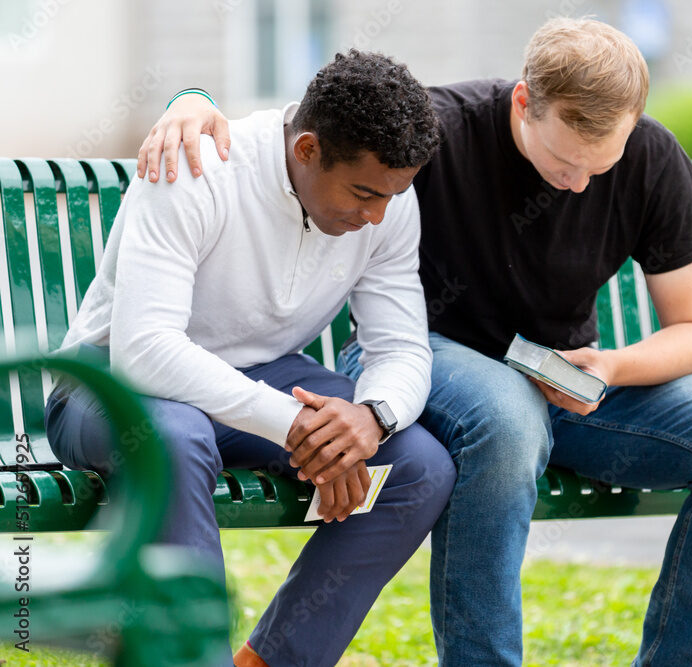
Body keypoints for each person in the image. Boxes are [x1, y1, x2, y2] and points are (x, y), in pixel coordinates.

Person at [137, 17, 692, 667]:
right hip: (428, 361)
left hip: (571, 382)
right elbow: (317, 131)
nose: (578, 184)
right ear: (523, 102)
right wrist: (193, 101)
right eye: (564, 161)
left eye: (600, 167)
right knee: (508, 418)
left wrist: (611, 365)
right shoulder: (439, 131)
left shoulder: (654, 158)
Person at [46, 50, 456, 667]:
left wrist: (369, 418)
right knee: (173, 437)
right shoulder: (194, 168)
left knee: (416, 465)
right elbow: (145, 351)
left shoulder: (389, 205)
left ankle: (270, 661)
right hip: (110, 388)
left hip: (260, 379)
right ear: (308, 149)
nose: (376, 216)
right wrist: (294, 425)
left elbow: (400, 346)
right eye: (365, 193)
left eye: (391, 197)